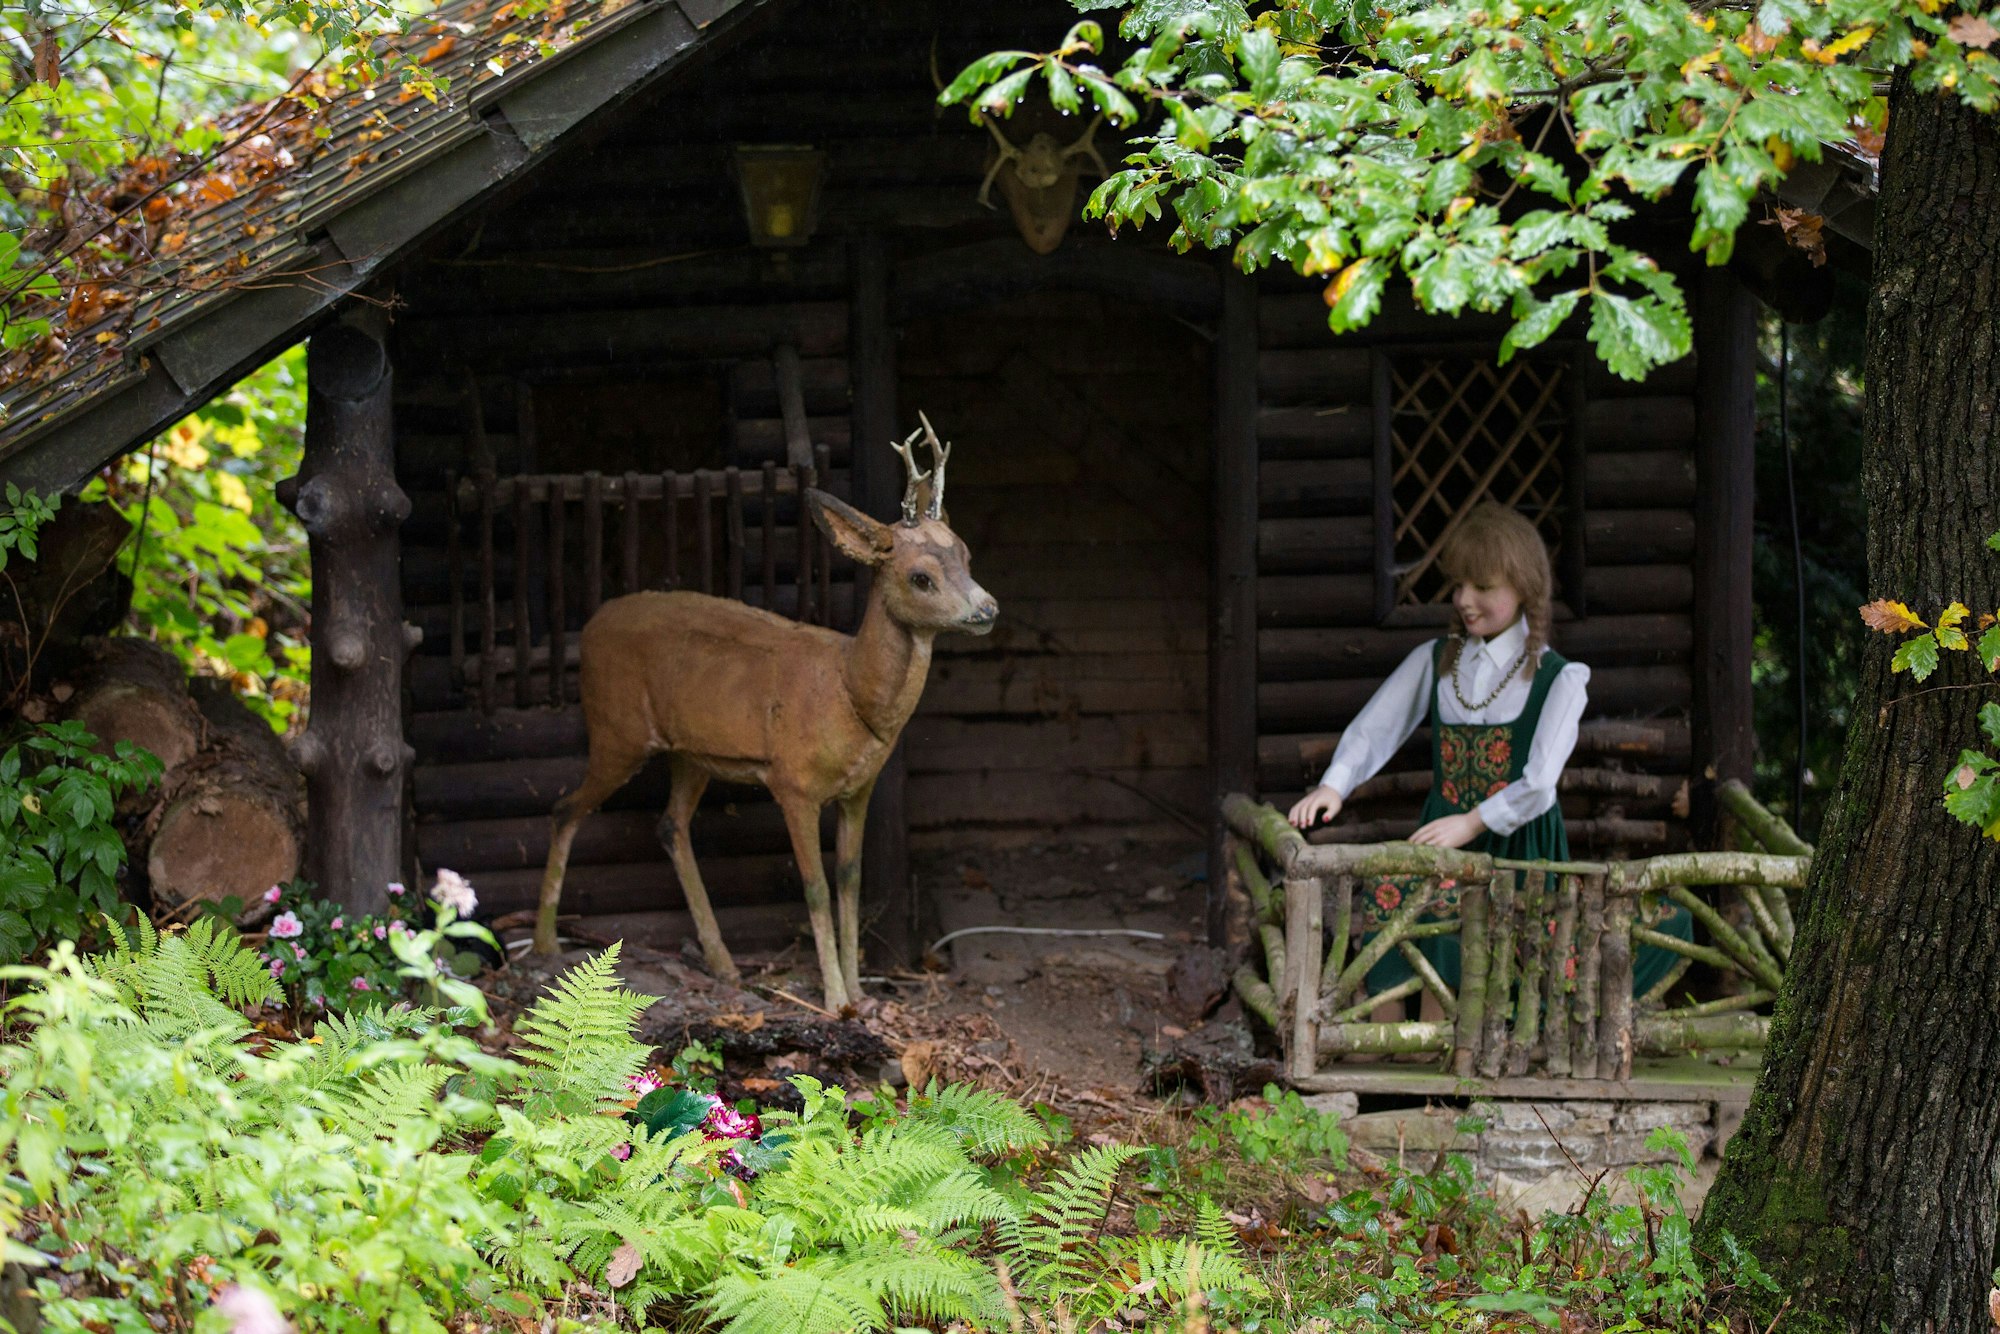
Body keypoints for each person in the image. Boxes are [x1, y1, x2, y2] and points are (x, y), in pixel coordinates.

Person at [1286, 502, 1688, 997]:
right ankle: (1394, 1037)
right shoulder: (1435, 660)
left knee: (1533, 958)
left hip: (1520, 846)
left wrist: (1472, 822)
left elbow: (1539, 784)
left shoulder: (1559, 678)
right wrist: (1335, 783)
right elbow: (1376, 727)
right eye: (1459, 586)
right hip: (1440, 833)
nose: (1464, 600)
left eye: (1483, 587)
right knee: (1394, 904)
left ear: (1523, 588)